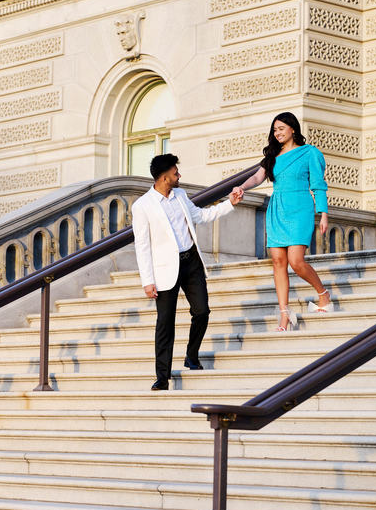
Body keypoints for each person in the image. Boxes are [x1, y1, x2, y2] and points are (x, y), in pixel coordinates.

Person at [131, 154, 242, 390]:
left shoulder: (180, 195)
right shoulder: (142, 206)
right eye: (175, 173)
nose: (179, 176)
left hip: (190, 261)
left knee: (202, 311)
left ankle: (192, 355)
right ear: (163, 178)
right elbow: (142, 245)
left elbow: (201, 216)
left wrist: (229, 203)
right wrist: (147, 281)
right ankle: (162, 376)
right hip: (164, 270)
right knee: (165, 323)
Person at [232, 112, 332, 332]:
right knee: (278, 261)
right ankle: (284, 314)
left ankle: (323, 295)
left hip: (300, 208)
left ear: (293, 129)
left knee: (296, 261)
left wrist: (323, 213)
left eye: (281, 129)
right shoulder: (273, 156)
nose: (277, 133)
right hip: (277, 209)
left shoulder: (309, 153)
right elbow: (258, 177)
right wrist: (242, 187)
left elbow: (318, 184)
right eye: (274, 130)